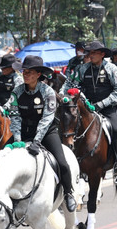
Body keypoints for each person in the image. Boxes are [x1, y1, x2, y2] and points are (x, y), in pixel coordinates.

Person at [8, 56, 76, 212]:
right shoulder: (17, 92)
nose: (25, 75)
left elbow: (46, 119)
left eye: (29, 72)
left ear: (38, 74)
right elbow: (15, 116)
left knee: (62, 163)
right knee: (0, 158)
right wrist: (18, 140)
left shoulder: (48, 92)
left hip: (46, 133)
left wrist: (37, 141)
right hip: (24, 132)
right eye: (24, 71)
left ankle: (68, 193)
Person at [63, 41, 117, 186]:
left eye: (93, 53)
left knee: (116, 129)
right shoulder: (82, 69)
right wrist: (65, 96)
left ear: (102, 54)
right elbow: (69, 84)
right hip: (86, 107)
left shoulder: (112, 69)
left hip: (107, 107)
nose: (90, 55)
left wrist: (101, 104)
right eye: (89, 53)